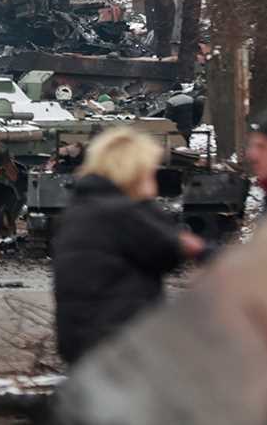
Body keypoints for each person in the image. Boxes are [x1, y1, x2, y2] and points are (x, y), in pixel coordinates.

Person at [52, 127, 205, 365]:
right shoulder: (121, 212)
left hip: (84, 340)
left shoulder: (82, 208)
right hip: (118, 342)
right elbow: (167, 252)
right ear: (134, 171)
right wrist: (145, 203)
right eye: (149, 170)